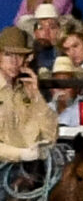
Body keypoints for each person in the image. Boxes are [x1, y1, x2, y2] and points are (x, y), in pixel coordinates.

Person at [0, 28, 59, 168]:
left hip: (27, 169)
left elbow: (51, 135)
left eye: (19, 56)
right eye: (9, 55)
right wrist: (21, 154)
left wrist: (36, 96)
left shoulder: (26, 91)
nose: (15, 61)